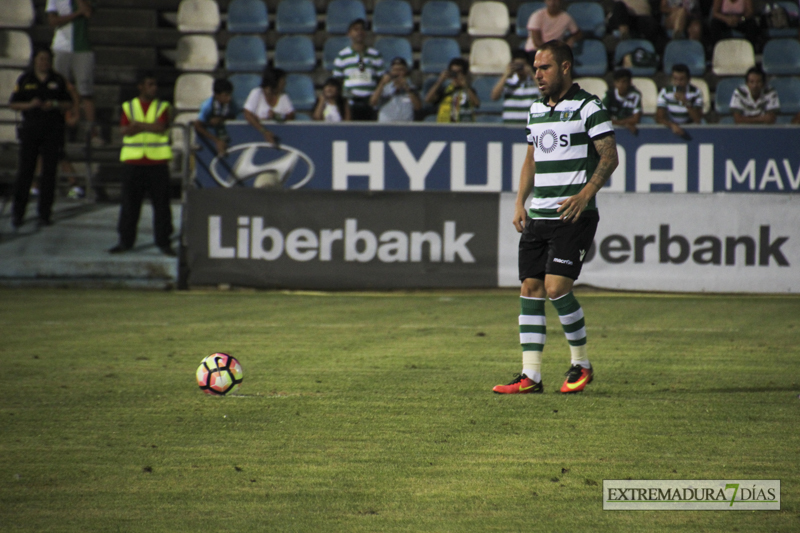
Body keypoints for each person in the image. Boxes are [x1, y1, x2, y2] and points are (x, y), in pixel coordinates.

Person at [493, 40, 618, 395]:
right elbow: (531, 159)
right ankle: (530, 375)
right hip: (538, 215)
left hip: (573, 215)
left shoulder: (589, 107)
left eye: (544, 68)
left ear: (565, 67)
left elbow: (609, 157)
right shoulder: (535, 110)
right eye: (535, 69)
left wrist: (584, 195)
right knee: (530, 288)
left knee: (555, 287)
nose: (537, 75)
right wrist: (520, 202)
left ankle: (581, 363)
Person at [109, 70, 175, 256]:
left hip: (157, 161)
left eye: (155, 85)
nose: (154, 88)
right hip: (134, 161)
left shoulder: (163, 106)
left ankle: (163, 242)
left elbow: (160, 126)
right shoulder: (129, 106)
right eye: (150, 85)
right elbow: (124, 130)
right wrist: (144, 126)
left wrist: (138, 125)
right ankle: (125, 241)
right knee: (130, 205)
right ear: (141, 86)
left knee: (162, 206)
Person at [8, 47, 73, 229]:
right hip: (31, 129)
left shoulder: (57, 80)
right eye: (41, 59)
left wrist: (53, 104)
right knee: (26, 171)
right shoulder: (26, 79)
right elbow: (13, 103)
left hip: (52, 130)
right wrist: (30, 105)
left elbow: (68, 102)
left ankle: (45, 213)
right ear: (35, 60)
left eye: (47, 59)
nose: (44, 62)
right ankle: (18, 213)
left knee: (49, 173)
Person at [46, 0, 101, 144]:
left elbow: (88, 12)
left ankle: (92, 133)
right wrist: (76, 14)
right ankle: (57, 130)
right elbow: (53, 21)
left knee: (86, 92)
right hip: (61, 47)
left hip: (82, 48)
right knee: (59, 90)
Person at [332, 18, 384, 121]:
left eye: (362, 29)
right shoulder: (342, 56)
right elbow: (337, 80)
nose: (359, 32)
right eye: (355, 29)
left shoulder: (375, 55)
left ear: (365, 33)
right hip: (350, 103)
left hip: (370, 103)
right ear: (349, 34)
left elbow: (381, 79)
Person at [243, 68, 294, 145]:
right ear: (275, 82)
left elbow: (291, 115)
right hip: (256, 138)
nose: (285, 83)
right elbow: (247, 115)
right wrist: (264, 131)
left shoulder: (283, 96)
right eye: (282, 81)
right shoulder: (257, 93)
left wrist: (277, 116)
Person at [490, 49, 541, 126]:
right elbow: (494, 96)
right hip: (509, 127)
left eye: (522, 65)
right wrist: (506, 74)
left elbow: (544, 92)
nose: (519, 68)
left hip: (529, 126)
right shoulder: (508, 82)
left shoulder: (534, 82)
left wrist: (531, 73)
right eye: (517, 64)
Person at [424, 57, 481, 123]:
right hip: (445, 127)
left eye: (459, 72)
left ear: (464, 73)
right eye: (453, 72)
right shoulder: (445, 89)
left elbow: (476, 103)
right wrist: (440, 81)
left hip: (464, 127)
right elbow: (428, 99)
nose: (456, 75)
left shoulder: (468, 90)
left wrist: (465, 86)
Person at [655, 63, 703, 139]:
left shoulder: (696, 92)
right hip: (672, 127)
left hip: (691, 127)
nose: (678, 83)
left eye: (681, 79)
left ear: (688, 80)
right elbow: (659, 118)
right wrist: (672, 125)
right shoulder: (665, 92)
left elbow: (697, 119)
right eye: (675, 79)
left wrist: (686, 102)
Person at [369, 57, 421, 123]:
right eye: (395, 70)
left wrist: (407, 88)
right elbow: (373, 102)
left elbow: (418, 107)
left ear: (406, 72)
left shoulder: (412, 88)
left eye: (401, 70)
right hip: (385, 125)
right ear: (391, 72)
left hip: (406, 126)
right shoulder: (384, 88)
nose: (398, 73)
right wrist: (382, 83)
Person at [194, 78, 238, 156]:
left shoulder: (232, 103)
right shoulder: (207, 106)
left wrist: (221, 119)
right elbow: (198, 126)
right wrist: (216, 140)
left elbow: (234, 116)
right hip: (209, 142)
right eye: (226, 95)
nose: (229, 98)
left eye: (230, 94)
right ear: (217, 95)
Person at [603, 68, 643, 134]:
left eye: (624, 82)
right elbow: (603, 118)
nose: (621, 85)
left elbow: (636, 118)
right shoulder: (609, 95)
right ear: (614, 83)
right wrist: (625, 124)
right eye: (618, 82)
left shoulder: (635, 95)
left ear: (629, 82)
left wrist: (618, 123)